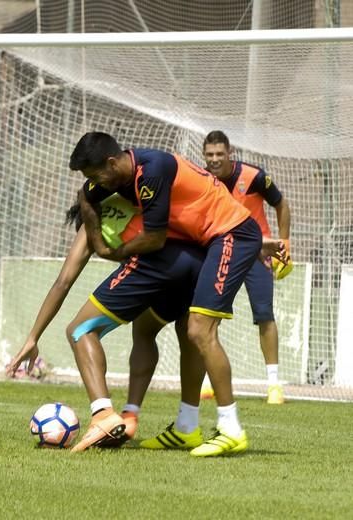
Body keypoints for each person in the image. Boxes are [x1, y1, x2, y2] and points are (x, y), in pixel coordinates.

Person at [71, 132, 285, 457]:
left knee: (201, 329)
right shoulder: (130, 174)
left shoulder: (152, 169)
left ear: (112, 162)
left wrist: (112, 252)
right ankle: (187, 428)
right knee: (185, 330)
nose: (97, 183)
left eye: (97, 174)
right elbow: (86, 193)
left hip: (233, 236)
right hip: (216, 242)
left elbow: (155, 238)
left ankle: (231, 428)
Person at [6, 195, 207, 448]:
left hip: (153, 265)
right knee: (151, 329)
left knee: (80, 330)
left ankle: (103, 415)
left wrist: (33, 337)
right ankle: (141, 417)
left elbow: (63, 282)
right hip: (195, 260)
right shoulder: (135, 199)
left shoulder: (93, 219)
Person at [202, 130, 292, 405]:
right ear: (204, 156)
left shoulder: (253, 176)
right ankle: (209, 382)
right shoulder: (203, 179)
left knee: (264, 314)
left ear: (231, 154)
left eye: (220, 154)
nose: (215, 159)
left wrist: (284, 243)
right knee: (208, 314)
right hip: (221, 252)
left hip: (257, 253)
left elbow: (281, 204)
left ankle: (274, 385)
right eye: (210, 154)